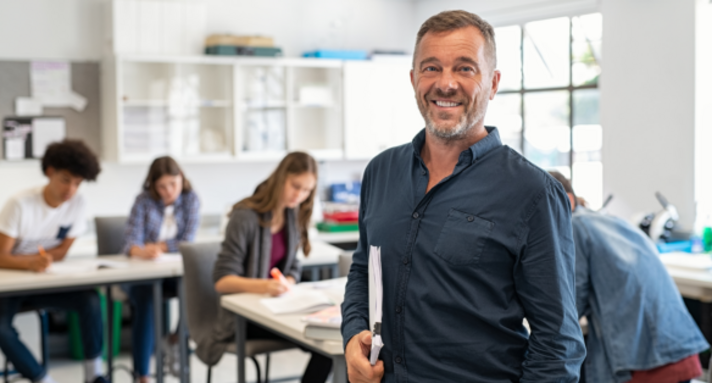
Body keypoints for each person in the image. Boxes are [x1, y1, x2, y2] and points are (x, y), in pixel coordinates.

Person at [341, 10, 586, 383]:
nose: (446, 83)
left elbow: (558, 343)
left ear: (493, 82)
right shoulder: (381, 172)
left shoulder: (532, 192)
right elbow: (364, 270)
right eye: (431, 68)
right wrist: (352, 335)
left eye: (465, 68)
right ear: (413, 79)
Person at [548, 171, 709, 383]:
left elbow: (571, 305)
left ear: (566, 200)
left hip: (648, 363)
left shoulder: (574, 227)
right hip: (678, 347)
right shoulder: (609, 221)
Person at [197, 151, 333, 383]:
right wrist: (266, 286)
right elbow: (222, 280)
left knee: (332, 342)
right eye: (295, 186)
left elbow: (293, 268)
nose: (299, 195)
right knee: (325, 344)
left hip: (277, 308)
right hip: (244, 317)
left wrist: (287, 281)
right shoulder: (245, 216)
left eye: (307, 190)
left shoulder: (291, 215)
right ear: (281, 178)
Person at [0, 139, 105, 383]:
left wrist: (41, 261)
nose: (70, 189)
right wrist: (30, 263)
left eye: (77, 183)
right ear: (50, 172)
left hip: (45, 284)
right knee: (1, 328)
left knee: (90, 300)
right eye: (65, 180)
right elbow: (1, 256)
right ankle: (42, 379)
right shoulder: (20, 204)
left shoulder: (78, 204)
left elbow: (61, 252)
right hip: (11, 287)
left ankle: (94, 375)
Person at [123, 156, 200, 381]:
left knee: (195, 289)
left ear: (181, 179)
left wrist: (160, 246)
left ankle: (176, 340)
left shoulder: (191, 199)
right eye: (162, 186)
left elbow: (188, 241)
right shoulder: (143, 201)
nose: (168, 191)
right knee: (146, 301)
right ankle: (142, 374)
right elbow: (130, 242)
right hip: (144, 273)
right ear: (153, 186)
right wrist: (141, 251)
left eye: (173, 184)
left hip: (173, 273)